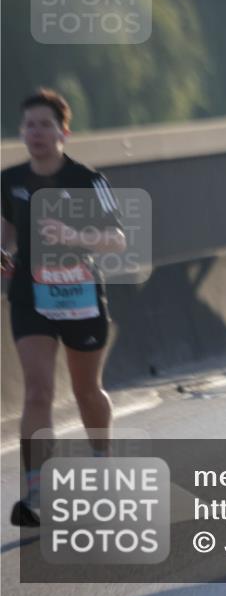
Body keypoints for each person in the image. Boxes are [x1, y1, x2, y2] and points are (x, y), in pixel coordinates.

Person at [2, 89, 127, 526]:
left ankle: (102, 461)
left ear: (63, 132)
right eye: (29, 125)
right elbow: (3, 240)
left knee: (86, 391)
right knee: (37, 390)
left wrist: (74, 237)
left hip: (80, 296)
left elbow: (116, 240)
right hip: (29, 297)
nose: (36, 133)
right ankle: (35, 493)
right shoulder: (9, 180)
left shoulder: (88, 180)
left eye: (45, 125)